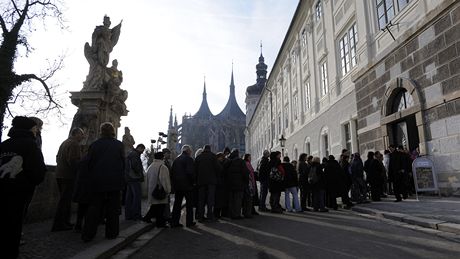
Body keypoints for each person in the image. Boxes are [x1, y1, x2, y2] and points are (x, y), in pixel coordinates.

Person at [0, 116, 46, 259]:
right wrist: (29, 183)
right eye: (34, 129)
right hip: (19, 191)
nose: (36, 131)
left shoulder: (4, 144)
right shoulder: (31, 145)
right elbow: (38, 171)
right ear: (29, 129)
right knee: (13, 225)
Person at [81, 122, 125, 242]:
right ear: (113, 131)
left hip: (97, 182)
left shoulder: (95, 145)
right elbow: (123, 164)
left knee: (94, 209)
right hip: (114, 182)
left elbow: (88, 163)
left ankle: (88, 234)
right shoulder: (119, 145)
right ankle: (112, 233)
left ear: (101, 132)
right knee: (113, 210)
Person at [52, 128, 84, 231]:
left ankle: (65, 222)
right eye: (81, 134)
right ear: (76, 134)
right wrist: (78, 172)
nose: (83, 137)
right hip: (68, 175)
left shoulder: (64, 142)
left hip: (60, 174)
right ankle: (59, 224)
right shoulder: (74, 144)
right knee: (65, 200)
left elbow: (57, 157)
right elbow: (73, 160)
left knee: (65, 199)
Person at [169, 145, 196, 227]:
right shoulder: (189, 159)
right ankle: (189, 222)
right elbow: (190, 172)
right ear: (188, 151)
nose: (191, 153)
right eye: (190, 151)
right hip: (187, 186)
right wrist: (193, 182)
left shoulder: (176, 160)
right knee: (189, 205)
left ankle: (174, 222)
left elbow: (172, 173)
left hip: (178, 186)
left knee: (177, 204)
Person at [143, 152, 171, 228]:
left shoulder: (150, 166)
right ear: (162, 158)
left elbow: (147, 180)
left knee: (155, 206)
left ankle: (147, 218)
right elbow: (165, 180)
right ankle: (160, 224)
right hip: (160, 191)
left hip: (152, 191)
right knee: (160, 208)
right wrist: (168, 190)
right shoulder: (162, 167)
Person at [194, 145, 221, 222]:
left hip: (201, 182)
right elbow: (218, 168)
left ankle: (200, 217)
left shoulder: (198, 157)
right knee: (210, 200)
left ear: (203, 149)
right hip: (211, 182)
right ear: (210, 149)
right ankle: (209, 216)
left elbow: (195, 170)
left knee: (201, 200)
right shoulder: (213, 156)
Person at [225, 149, 249, 219]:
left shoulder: (228, 161)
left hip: (230, 184)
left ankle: (231, 214)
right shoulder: (241, 161)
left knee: (231, 200)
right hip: (239, 184)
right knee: (238, 200)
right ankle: (236, 214)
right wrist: (246, 182)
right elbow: (245, 172)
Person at [125, 144, 145, 221]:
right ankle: (136, 215)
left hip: (129, 178)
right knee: (137, 197)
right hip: (135, 178)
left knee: (129, 198)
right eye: (142, 150)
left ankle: (128, 215)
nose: (142, 152)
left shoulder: (130, 154)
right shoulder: (135, 155)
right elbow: (135, 166)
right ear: (139, 148)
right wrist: (140, 173)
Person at [214, 152, 227, 219]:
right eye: (221, 158)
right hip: (219, 184)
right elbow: (221, 171)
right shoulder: (217, 164)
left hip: (219, 183)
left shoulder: (217, 163)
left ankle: (217, 214)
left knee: (219, 200)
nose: (222, 159)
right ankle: (217, 214)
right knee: (218, 200)